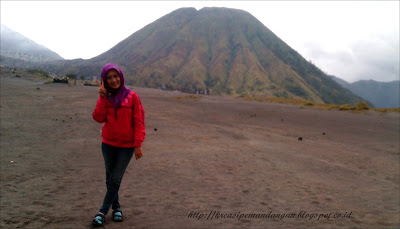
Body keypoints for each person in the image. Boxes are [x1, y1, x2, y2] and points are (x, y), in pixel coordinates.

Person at [92, 63, 145, 226]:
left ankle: (102, 211)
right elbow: (98, 117)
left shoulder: (132, 96)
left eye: (116, 76)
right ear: (104, 81)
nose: (113, 80)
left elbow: (139, 121)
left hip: (127, 146)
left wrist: (138, 144)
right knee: (110, 179)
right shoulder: (106, 97)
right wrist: (102, 97)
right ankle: (117, 208)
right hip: (108, 144)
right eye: (109, 78)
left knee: (115, 178)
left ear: (121, 77)